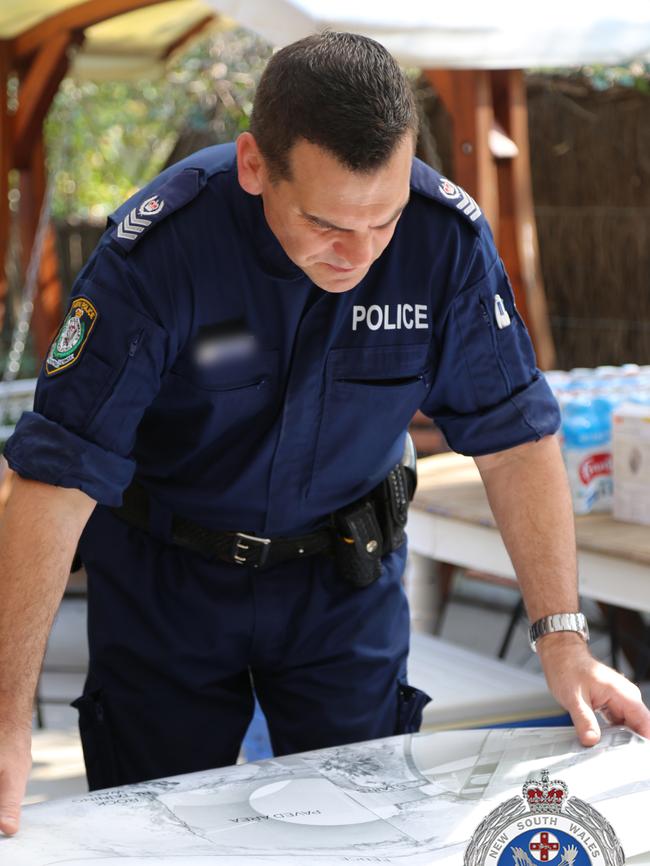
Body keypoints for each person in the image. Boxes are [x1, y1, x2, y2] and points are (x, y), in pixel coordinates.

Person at [0, 31, 648, 837]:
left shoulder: (444, 240)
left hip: (342, 588)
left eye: (384, 221)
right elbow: (56, 479)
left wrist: (562, 640)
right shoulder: (162, 254)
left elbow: (515, 439)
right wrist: (5, 721)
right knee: (150, 836)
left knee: (371, 835)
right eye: (329, 224)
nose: (363, 253)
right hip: (168, 587)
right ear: (252, 165)